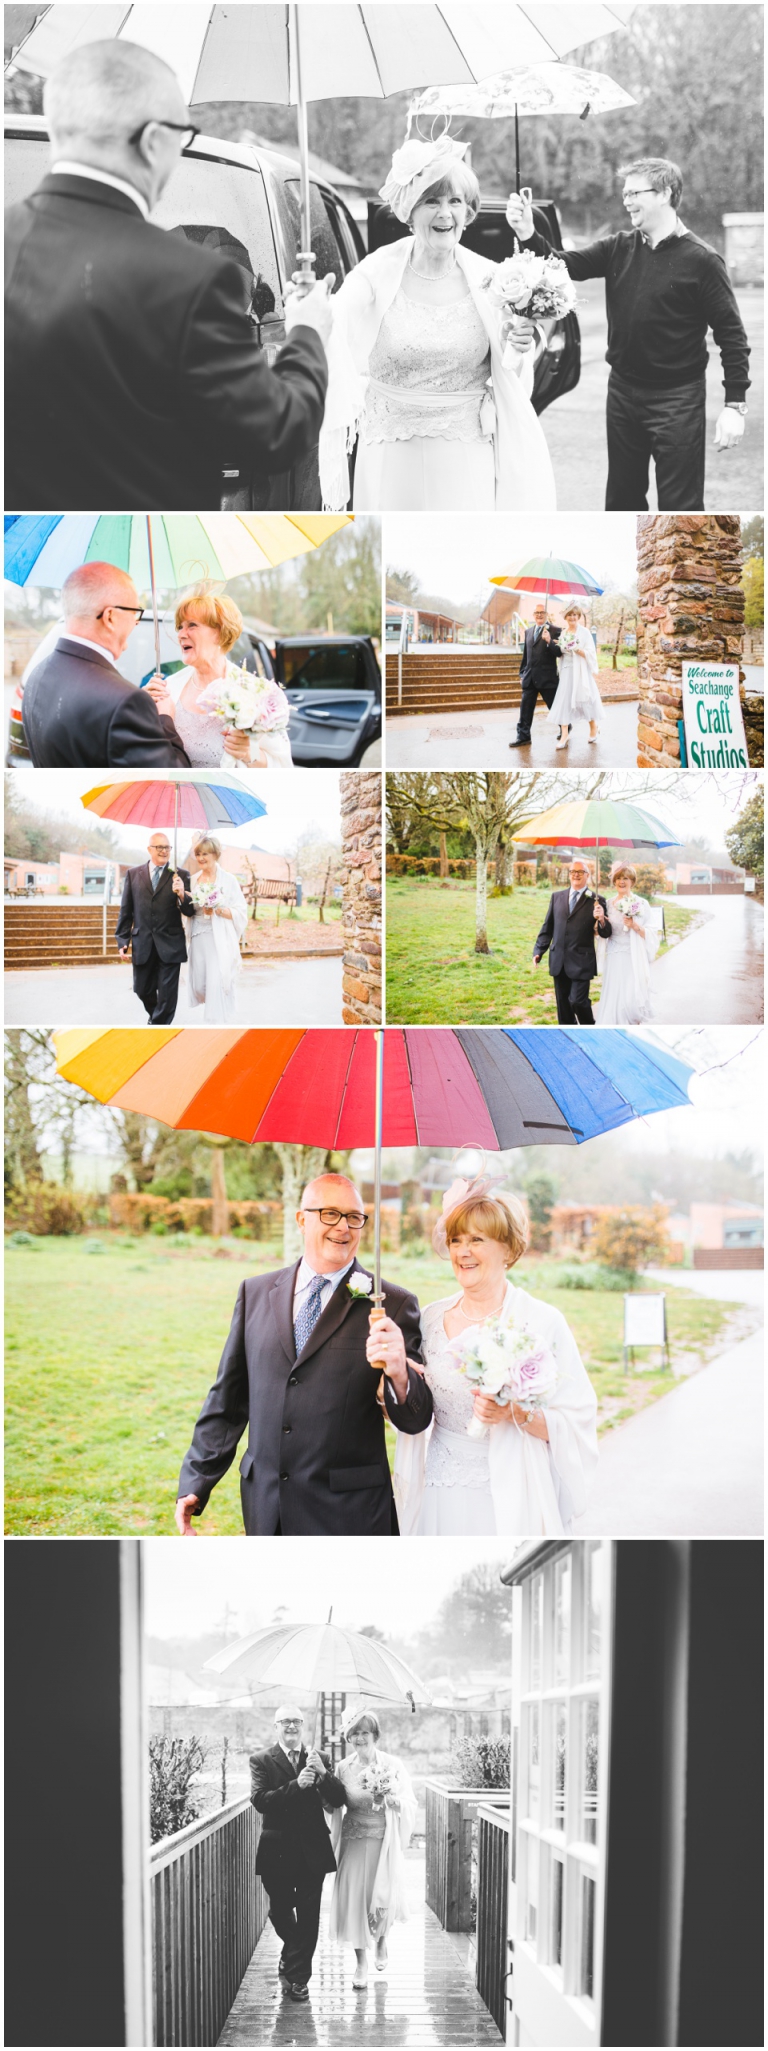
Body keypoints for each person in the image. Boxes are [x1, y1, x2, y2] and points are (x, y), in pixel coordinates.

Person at [5, 40, 333, 511]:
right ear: (154, 139)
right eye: (183, 137)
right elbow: (274, 433)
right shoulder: (189, 280)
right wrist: (308, 334)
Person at [175, 1174, 432, 1535]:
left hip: (349, 1514)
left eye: (354, 1217)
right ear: (301, 1219)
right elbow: (228, 1399)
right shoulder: (255, 1292)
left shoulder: (392, 1304)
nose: (343, 1227)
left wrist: (399, 1374)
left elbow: (414, 1420)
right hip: (267, 1506)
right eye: (330, 1213)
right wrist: (196, 1481)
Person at [319, 136, 555, 512]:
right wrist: (313, 305)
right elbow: (336, 318)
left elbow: (514, 364)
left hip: (466, 453)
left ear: (468, 212)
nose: (445, 213)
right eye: (432, 201)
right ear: (410, 212)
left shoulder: (490, 277)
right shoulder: (376, 270)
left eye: (455, 201)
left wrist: (520, 341)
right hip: (388, 452)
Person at [506, 159, 750, 511]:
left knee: (680, 507)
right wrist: (528, 232)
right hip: (622, 393)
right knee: (622, 500)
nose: (627, 201)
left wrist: (734, 405)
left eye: (635, 193)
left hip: (678, 400)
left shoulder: (703, 260)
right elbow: (560, 264)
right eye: (624, 194)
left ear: (666, 192)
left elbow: (732, 336)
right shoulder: (618, 247)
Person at [379, 1182, 597, 1538]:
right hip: (439, 1489)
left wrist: (515, 1413)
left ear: (508, 1248)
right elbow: (411, 1411)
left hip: (511, 1494)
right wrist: (394, 1379)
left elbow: (577, 1421)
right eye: (455, 1240)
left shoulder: (542, 1322)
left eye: (477, 1240)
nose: (463, 1252)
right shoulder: (430, 1320)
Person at [20, 562, 191, 768]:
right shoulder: (126, 701)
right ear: (110, 617)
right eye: (135, 613)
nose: (135, 622)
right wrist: (164, 719)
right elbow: (174, 779)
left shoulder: (36, 675)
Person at [250, 1706, 345, 2006]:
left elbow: (339, 1799)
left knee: (308, 1917)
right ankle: (293, 1953)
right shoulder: (261, 1760)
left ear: (303, 1726)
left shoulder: (320, 1758)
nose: (291, 1726)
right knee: (279, 1911)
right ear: (276, 1726)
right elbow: (260, 1801)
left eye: (296, 1721)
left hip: (312, 1850)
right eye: (285, 1721)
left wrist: (323, 1773)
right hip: (276, 1849)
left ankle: (299, 1979)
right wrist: (296, 1785)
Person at [145, 585, 293, 768]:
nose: (181, 635)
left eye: (192, 625)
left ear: (219, 632)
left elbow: (283, 766)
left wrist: (249, 753)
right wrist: (144, 707)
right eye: (179, 627)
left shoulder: (253, 691)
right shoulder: (168, 688)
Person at [329, 1709, 416, 1988]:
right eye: (354, 1732)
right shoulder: (343, 1768)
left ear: (375, 1735)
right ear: (348, 1737)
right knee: (355, 1898)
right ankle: (360, 1963)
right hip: (353, 1840)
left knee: (381, 1894)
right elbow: (333, 1805)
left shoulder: (392, 1764)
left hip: (383, 1840)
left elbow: (410, 1802)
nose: (359, 1737)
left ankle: (381, 1941)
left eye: (365, 1732)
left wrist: (392, 1801)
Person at [115, 832, 195, 1024]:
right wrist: (122, 939)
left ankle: (157, 1026)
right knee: (142, 990)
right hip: (143, 942)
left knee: (168, 996)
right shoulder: (134, 874)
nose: (164, 851)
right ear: (149, 849)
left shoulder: (180, 875)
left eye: (167, 847)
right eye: (159, 847)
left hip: (170, 944)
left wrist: (182, 894)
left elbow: (190, 911)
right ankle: (157, 1021)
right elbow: (126, 909)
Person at [532, 857, 612, 1024]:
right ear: (569, 875)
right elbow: (548, 927)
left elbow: (606, 933)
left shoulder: (597, 900)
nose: (576, 875)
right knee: (564, 1008)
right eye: (573, 872)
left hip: (582, 961)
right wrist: (539, 951)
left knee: (577, 1001)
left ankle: (589, 1026)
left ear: (587, 875)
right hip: (558, 961)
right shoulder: (556, 897)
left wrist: (602, 918)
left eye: (580, 872)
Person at [183, 834, 249, 1024]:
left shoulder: (228, 880)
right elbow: (188, 910)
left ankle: (215, 1022)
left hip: (217, 939)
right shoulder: (193, 880)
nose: (201, 858)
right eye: (198, 854)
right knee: (199, 984)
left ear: (216, 854)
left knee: (216, 982)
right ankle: (214, 1015)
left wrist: (218, 910)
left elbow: (240, 912)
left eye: (205, 853)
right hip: (197, 938)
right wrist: (181, 895)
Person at [596, 861, 659, 1024]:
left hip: (632, 956)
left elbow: (652, 933)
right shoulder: (607, 904)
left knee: (630, 998)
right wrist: (600, 920)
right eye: (618, 878)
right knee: (614, 995)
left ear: (632, 881)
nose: (621, 881)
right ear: (614, 881)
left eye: (625, 878)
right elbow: (601, 932)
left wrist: (634, 925)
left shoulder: (641, 903)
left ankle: (631, 1024)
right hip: (614, 955)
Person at [546, 604, 602, 748]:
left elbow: (591, 653)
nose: (572, 617)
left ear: (578, 617)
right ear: (566, 617)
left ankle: (593, 727)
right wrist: (557, 644)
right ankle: (564, 734)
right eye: (569, 615)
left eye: (575, 615)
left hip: (581, 671)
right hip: (566, 671)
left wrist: (576, 649)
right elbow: (561, 653)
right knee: (564, 701)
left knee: (585, 700)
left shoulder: (585, 632)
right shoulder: (564, 633)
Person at [509, 603, 563, 748]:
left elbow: (559, 653)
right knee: (525, 709)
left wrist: (549, 641)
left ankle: (565, 729)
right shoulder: (528, 631)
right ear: (533, 615)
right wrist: (522, 674)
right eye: (537, 612)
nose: (539, 615)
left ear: (547, 614)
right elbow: (526, 656)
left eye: (542, 612)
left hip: (548, 678)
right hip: (529, 678)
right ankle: (523, 737)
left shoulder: (555, 630)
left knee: (555, 707)